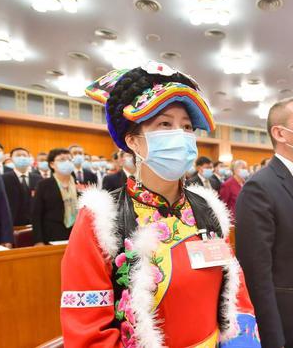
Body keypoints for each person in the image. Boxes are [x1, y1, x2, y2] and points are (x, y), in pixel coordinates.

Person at [61, 62, 260, 347]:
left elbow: (235, 293)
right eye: (165, 124)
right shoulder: (101, 220)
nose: (180, 134)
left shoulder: (208, 210)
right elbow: (88, 332)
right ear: (133, 142)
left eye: (188, 127)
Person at [235, 97, 293, 348]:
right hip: (285, 322)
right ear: (280, 133)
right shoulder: (260, 187)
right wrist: (272, 339)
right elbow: (257, 275)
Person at [32, 148, 78, 245]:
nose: (67, 162)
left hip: (77, 233)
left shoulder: (79, 184)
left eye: (69, 160)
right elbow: (36, 214)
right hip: (52, 235)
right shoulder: (43, 185)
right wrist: (38, 240)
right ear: (52, 164)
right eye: (62, 160)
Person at [2, 147, 42, 226]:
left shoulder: (38, 178)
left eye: (24, 155)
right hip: (13, 222)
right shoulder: (3, 178)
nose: (22, 158)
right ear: (11, 159)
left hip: (34, 222)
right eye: (18, 155)